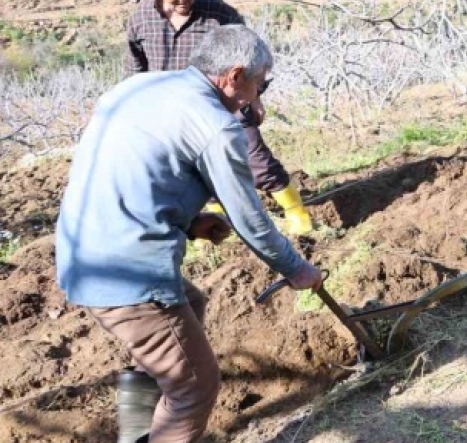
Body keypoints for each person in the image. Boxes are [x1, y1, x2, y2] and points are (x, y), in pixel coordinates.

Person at [56, 26, 324, 443]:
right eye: (262, 83)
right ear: (235, 75)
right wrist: (296, 268)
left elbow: (137, 174)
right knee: (195, 387)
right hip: (129, 272)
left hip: (82, 252)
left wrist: (189, 220)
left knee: (184, 316)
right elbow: (250, 220)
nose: (260, 94)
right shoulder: (216, 126)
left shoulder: (139, 87)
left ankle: (137, 434)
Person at [125, 0, 314, 234]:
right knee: (194, 170)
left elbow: (252, 55)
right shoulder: (141, 19)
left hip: (226, 100)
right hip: (172, 109)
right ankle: (214, 229)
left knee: (255, 158)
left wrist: (256, 96)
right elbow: (134, 69)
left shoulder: (219, 13)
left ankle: (296, 212)